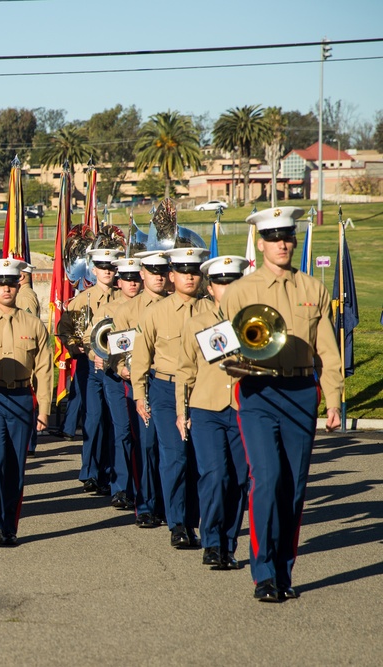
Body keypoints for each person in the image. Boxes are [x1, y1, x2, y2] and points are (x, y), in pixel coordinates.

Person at [219, 206, 342, 602]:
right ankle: (264, 574)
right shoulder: (240, 291)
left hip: (302, 393)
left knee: (293, 488)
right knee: (267, 480)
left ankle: (285, 571)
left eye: (287, 236)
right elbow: (221, 345)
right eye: (274, 237)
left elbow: (328, 349)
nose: (283, 244)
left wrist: (334, 399)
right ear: (261, 243)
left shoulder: (312, 288)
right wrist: (231, 364)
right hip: (258, 394)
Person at [132, 246, 210, 549]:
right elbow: (141, 358)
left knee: (197, 459)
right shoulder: (156, 313)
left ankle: (192, 521)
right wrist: (140, 394)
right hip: (165, 389)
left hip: (202, 389)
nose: (189, 277)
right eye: (183, 272)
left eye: (194, 272)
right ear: (171, 275)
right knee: (174, 455)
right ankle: (177, 523)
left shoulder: (212, 311)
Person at [0, 258, 52, 545]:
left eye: (10, 283)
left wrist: (44, 409)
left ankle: (9, 525)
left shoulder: (33, 324)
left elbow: (44, 369)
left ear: (18, 285)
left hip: (21, 396)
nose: (6, 288)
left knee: (16, 464)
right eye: (0, 283)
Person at [175, 255, 249, 571]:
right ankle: (212, 542)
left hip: (245, 408)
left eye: (233, 281)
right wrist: (182, 411)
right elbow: (185, 370)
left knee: (240, 479)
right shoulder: (197, 324)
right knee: (215, 474)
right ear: (210, 287)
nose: (226, 287)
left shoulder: (255, 320)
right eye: (220, 282)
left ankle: (228, 545)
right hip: (207, 408)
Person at [112, 251, 171, 527]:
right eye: (152, 270)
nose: (158, 276)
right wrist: (122, 368)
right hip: (142, 385)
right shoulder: (127, 311)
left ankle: (169, 504)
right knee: (146, 446)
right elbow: (116, 353)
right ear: (142, 273)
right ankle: (146, 504)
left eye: (163, 270)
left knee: (172, 449)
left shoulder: (177, 306)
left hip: (171, 385)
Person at [58, 247, 121, 496]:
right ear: (93, 270)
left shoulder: (123, 297)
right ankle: (90, 472)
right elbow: (64, 327)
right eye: (102, 268)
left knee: (113, 419)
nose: (107, 271)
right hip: (88, 363)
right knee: (93, 418)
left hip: (115, 363)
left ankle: (108, 473)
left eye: (110, 267)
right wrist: (75, 347)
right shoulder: (82, 299)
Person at [100, 256, 144, 510]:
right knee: (123, 431)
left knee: (143, 435)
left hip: (145, 376)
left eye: (136, 278)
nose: (132, 283)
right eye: (127, 279)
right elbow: (104, 344)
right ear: (119, 281)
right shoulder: (111, 308)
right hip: (118, 377)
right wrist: (119, 367)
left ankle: (142, 487)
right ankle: (121, 487)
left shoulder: (150, 306)